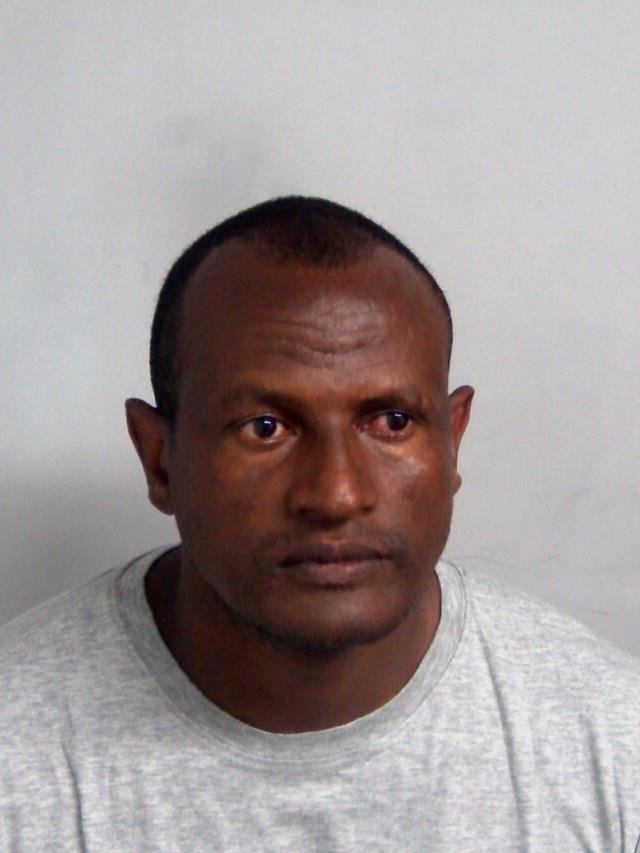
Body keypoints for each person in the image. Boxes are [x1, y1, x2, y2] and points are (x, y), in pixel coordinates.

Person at [1, 196, 639, 852]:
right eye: (265, 428)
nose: (336, 495)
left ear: (453, 442)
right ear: (160, 459)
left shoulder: (614, 744)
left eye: (392, 422)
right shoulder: (17, 748)